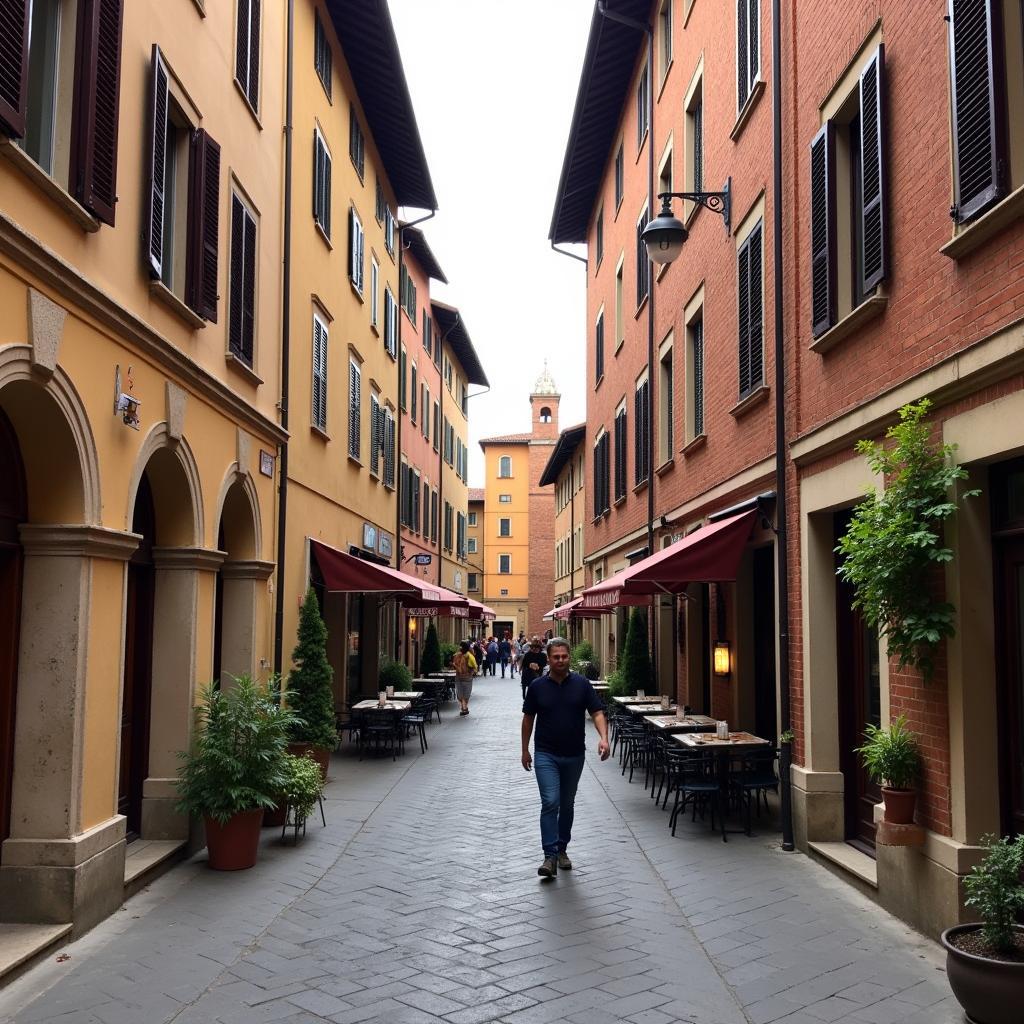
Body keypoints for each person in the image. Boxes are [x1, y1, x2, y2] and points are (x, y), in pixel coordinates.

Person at [521, 637, 609, 877]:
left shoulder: (582, 684)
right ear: (548, 659)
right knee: (551, 801)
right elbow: (528, 718)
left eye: (564, 656)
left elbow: (597, 712)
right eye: (556, 657)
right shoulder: (538, 687)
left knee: (567, 804)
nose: (560, 660)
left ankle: (562, 849)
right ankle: (549, 856)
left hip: (574, 755)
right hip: (545, 754)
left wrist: (604, 737)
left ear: (569, 657)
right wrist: (525, 749)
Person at [452, 640, 477, 716]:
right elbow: (474, 666)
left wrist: (456, 667)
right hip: (468, 678)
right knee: (466, 693)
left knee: (460, 693)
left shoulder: (456, 655)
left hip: (459, 677)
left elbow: (453, 664)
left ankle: (463, 708)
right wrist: (474, 672)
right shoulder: (470, 656)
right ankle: (464, 708)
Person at [519, 636, 547, 700]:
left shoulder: (542, 655)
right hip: (528, 672)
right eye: (533, 647)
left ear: (539, 648)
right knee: (528, 684)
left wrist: (538, 666)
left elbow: (544, 663)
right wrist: (530, 665)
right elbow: (524, 663)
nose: (534, 649)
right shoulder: (528, 654)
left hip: (538, 672)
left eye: (536, 647)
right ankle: (525, 695)